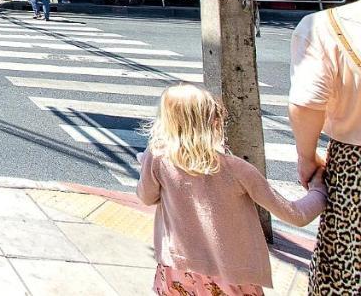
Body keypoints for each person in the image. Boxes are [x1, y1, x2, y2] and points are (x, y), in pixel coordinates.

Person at [138, 84, 325, 295]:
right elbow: (296, 215)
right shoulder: (237, 169)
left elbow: (146, 196)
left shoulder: (157, 159)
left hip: (178, 270)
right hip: (231, 277)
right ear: (215, 122)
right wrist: (320, 188)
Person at [289, 0, 361, 293]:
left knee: (348, 268)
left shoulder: (324, 26)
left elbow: (306, 103)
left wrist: (306, 157)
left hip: (354, 163)